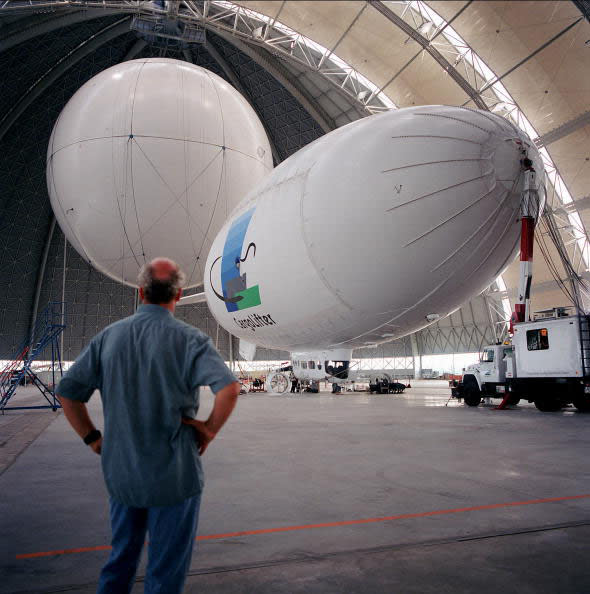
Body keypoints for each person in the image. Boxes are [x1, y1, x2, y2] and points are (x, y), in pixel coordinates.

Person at [58, 257, 240, 594]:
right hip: (175, 475)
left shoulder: (108, 337)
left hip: (123, 472)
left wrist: (93, 438)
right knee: (165, 571)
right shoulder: (192, 340)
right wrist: (209, 429)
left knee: (120, 560)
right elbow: (229, 388)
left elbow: (68, 393)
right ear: (180, 294)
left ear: (141, 292)